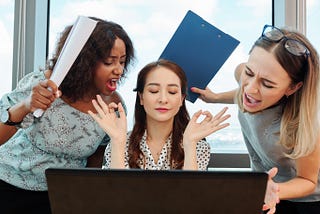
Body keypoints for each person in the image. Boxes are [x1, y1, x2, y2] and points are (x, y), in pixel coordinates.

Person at [0, 17, 134, 213]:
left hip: (61, 197)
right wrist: (27, 105)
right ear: (84, 62)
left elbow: (98, 158)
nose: (119, 70)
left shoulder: (114, 106)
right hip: (10, 186)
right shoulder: (44, 84)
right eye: (109, 62)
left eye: (122, 62)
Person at [191, 24, 320, 214]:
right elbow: (245, 90)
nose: (250, 88)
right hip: (264, 191)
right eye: (249, 73)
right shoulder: (243, 77)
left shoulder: (302, 124)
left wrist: (274, 190)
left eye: (267, 84)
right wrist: (216, 97)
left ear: (292, 88)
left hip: (305, 201)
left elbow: (308, 181)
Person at [89, 59, 230, 170]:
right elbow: (115, 197)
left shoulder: (198, 146)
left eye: (172, 92)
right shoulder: (120, 142)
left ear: (182, 99)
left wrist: (190, 144)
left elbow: (191, 199)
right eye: (154, 91)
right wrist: (118, 142)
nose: (163, 99)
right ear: (141, 97)